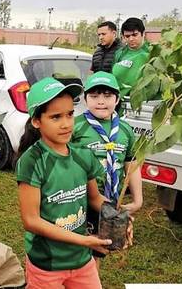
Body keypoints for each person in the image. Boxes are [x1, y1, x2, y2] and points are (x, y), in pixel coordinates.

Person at [15, 77, 112, 289]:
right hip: (47, 263)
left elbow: (95, 198)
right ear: (36, 121)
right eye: (56, 117)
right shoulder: (31, 162)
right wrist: (85, 240)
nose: (66, 123)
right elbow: (31, 221)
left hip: (81, 260)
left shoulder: (82, 155)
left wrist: (120, 215)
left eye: (70, 114)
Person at [71, 71, 142, 269]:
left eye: (107, 96)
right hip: (81, 200)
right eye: (94, 96)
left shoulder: (126, 130)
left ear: (117, 98)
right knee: (77, 246)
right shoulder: (75, 127)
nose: (101, 101)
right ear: (85, 99)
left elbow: (131, 164)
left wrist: (138, 200)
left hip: (110, 202)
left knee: (100, 249)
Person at [112, 17, 150, 97]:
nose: (131, 39)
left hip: (146, 102)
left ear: (143, 33)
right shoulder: (119, 54)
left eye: (135, 35)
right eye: (127, 36)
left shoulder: (152, 52)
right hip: (122, 101)